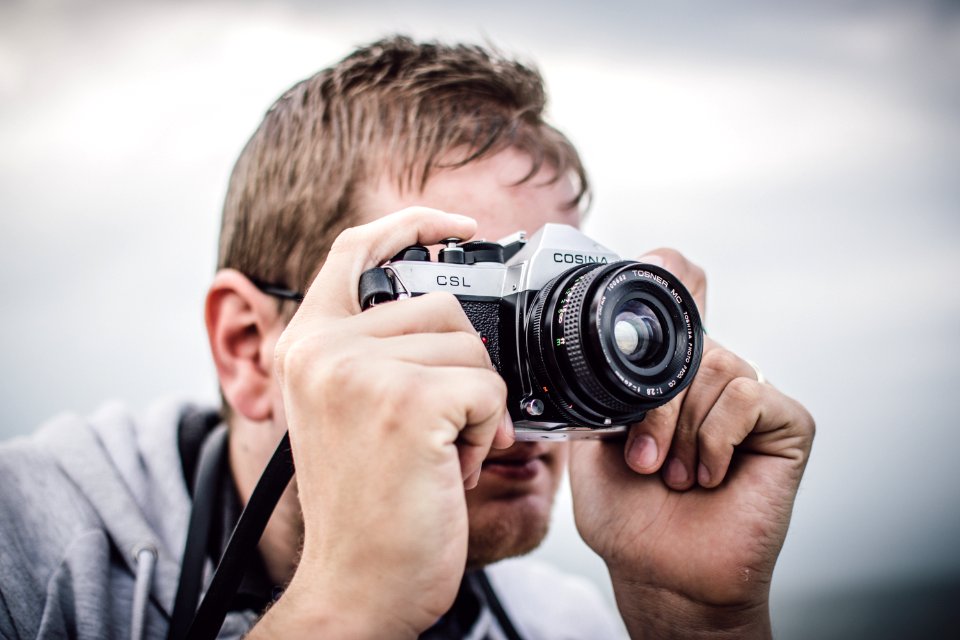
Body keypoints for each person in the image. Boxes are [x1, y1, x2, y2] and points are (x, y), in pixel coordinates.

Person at [0, 36, 814, 639]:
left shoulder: (563, 624)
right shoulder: (29, 554)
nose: (520, 371)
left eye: (554, 302)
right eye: (463, 305)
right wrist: (346, 608)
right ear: (250, 348)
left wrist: (692, 621)